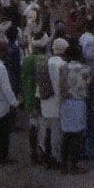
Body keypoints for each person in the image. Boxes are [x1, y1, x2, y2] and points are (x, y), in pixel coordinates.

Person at [58, 43, 90, 173]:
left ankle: (64, 164)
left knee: (66, 134)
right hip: (79, 102)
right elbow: (88, 85)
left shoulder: (63, 68)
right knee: (77, 134)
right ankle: (74, 165)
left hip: (66, 102)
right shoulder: (86, 69)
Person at [21, 38, 49, 163]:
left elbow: (23, 78)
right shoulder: (45, 60)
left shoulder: (26, 60)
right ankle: (41, 152)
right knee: (43, 127)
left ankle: (33, 151)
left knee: (33, 125)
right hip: (41, 96)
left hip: (30, 96)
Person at [41, 38, 68, 169]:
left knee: (48, 129)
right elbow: (60, 86)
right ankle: (56, 158)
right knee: (57, 133)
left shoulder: (46, 61)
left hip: (45, 101)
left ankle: (47, 156)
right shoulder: (62, 64)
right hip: (57, 103)